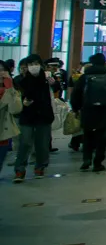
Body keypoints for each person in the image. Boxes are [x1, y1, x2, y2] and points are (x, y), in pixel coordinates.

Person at [13, 54, 54, 183]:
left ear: (41, 65)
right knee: (25, 142)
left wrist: (53, 83)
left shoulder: (47, 79)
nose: (33, 67)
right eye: (30, 65)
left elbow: (57, 90)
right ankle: (20, 169)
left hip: (44, 115)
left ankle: (40, 167)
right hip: (27, 115)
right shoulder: (21, 80)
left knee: (42, 143)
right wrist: (23, 102)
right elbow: (17, 96)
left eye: (36, 64)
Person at [70, 53, 106, 171]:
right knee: (101, 137)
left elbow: (76, 94)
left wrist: (76, 108)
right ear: (104, 62)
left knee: (88, 135)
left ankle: (86, 159)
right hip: (104, 110)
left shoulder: (84, 77)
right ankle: (98, 162)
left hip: (88, 109)